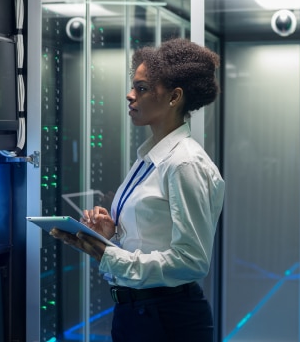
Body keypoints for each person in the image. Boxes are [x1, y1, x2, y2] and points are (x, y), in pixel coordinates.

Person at [50, 38, 225, 341]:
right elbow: (151, 238)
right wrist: (111, 236)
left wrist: (109, 255)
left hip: (168, 320)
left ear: (174, 97)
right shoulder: (150, 157)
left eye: (142, 89)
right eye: (133, 87)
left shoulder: (184, 162)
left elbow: (191, 261)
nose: (130, 96)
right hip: (135, 313)